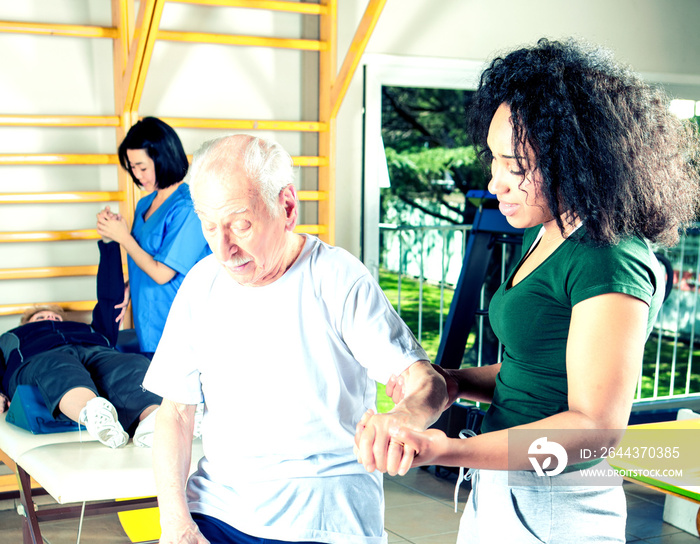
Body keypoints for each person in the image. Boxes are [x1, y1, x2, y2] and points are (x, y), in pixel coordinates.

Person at [355, 38, 700, 543]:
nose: (496, 182)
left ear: (578, 160)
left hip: (557, 506)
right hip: (503, 488)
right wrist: (454, 381)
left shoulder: (609, 257)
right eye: (493, 159)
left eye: (515, 166)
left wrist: (445, 450)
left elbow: (595, 430)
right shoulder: (549, 229)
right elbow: (537, 370)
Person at [142, 134, 449, 544]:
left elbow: (426, 382)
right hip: (218, 506)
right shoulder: (202, 283)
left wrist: (405, 415)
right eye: (209, 225)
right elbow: (176, 413)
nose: (223, 248)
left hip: (324, 512)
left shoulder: (337, 278)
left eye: (240, 224)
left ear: (287, 207)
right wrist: (176, 523)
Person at [0, 240, 162, 448]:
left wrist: (110, 244)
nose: (49, 318)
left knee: (132, 363)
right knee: (57, 362)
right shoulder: (12, 337)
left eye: (55, 317)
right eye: (41, 318)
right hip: (40, 359)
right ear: (27, 324)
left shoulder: (92, 330)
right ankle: (94, 415)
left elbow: (110, 300)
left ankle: (153, 420)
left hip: (94, 352)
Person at [96, 117, 211, 356]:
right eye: (132, 167)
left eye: (143, 167)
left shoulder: (189, 208)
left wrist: (123, 237)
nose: (137, 175)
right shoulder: (145, 204)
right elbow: (144, 258)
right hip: (148, 322)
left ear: (163, 158)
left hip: (179, 323)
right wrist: (130, 285)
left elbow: (161, 273)